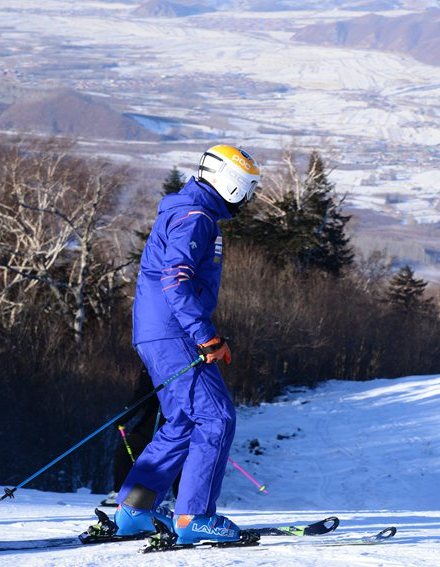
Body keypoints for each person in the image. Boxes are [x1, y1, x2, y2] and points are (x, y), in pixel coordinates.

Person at [113, 145, 261, 545]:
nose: (249, 198)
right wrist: (206, 335)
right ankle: (193, 517)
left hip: (158, 333)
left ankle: (134, 510)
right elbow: (176, 280)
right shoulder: (195, 218)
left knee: (181, 423)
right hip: (176, 332)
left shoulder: (188, 212)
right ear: (229, 183)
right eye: (248, 188)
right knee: (216, 418)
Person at [102, 368, 180, 507]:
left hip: (160, 419)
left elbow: (142, 396)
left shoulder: (152, 365)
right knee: (177, 454)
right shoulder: (174, 360)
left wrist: (123, 417)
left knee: (126, 451)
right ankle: (181, 499)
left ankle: (122, 493)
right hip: (179, 418)